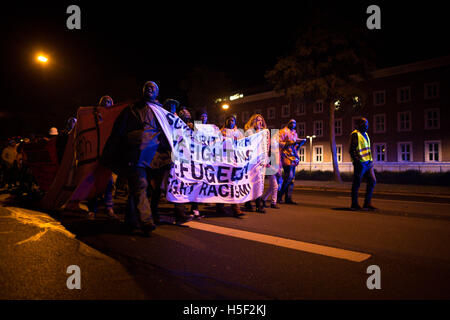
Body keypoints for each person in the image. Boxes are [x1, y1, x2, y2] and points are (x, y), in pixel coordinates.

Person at [101, 81, 167, 236]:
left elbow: (169, 133)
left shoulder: (162, 112)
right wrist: (112, 152)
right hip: (135, 154)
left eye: (153, 87)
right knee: (141, 184)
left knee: (138, 189)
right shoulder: (131, 110)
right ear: (142, 91)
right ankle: (146, 221)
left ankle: (130, 221)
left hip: (155, 157)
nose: (150, 88)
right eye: (147, 87)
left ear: (157, 93)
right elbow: (118, 132)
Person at [86, 96, 118, 220]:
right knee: (94, 184)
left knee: (109, 183)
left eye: (110, 102)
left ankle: (109, 207)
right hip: (96, 156)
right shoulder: (94, 117)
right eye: (104, 102)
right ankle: (92, 210)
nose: (107, 104)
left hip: (109, 156)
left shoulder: (115, 119)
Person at [216, 115, 245, 217]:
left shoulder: (239, 133)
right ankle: (220, 206)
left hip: (235, 162)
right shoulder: (221, 132)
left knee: (233, 184)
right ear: (226, 121)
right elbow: (216, 145)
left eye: (233, 120)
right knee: (223, 184)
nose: (231, 122)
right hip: (223, 161)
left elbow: (243, 146)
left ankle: (236, 208)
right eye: (229, 120)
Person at [349, 117, 377, 211]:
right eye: (365, 124)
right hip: (360, 163)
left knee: (372, 181)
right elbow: (352, 150)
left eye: (367, 124)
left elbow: (367, 149)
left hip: (368, 163)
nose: (367, 126)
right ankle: (354, 204)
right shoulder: (355, 135)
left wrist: (371, 161)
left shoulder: (366, 134)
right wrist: (357, 161)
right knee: (357, 183)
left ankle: (367, 203)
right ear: (359, 125)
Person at [244, 114, 268, 213]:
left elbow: (265, 147)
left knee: (260, 183)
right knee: (251, 182)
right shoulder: (250, 132)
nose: (260, 122)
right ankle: (250, 203)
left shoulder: (264, 132)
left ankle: (257, 205)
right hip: (252, 161)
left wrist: (266, 159)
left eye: (261, 120)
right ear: (253, 121)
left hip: (261, 161)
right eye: (257, 120)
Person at [278, 119, 306, 204]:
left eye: (295, 123)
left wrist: (302, 140)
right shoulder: (282, 131)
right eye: (292, 123)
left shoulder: (294, 132)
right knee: (289, 176)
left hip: (293, 156)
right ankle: (279, 196)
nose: (293, 124)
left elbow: (295, 140)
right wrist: (288, 143)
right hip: (286, 155)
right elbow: (279, 142)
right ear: (288, 123)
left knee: (292, 178)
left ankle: (288, 198)